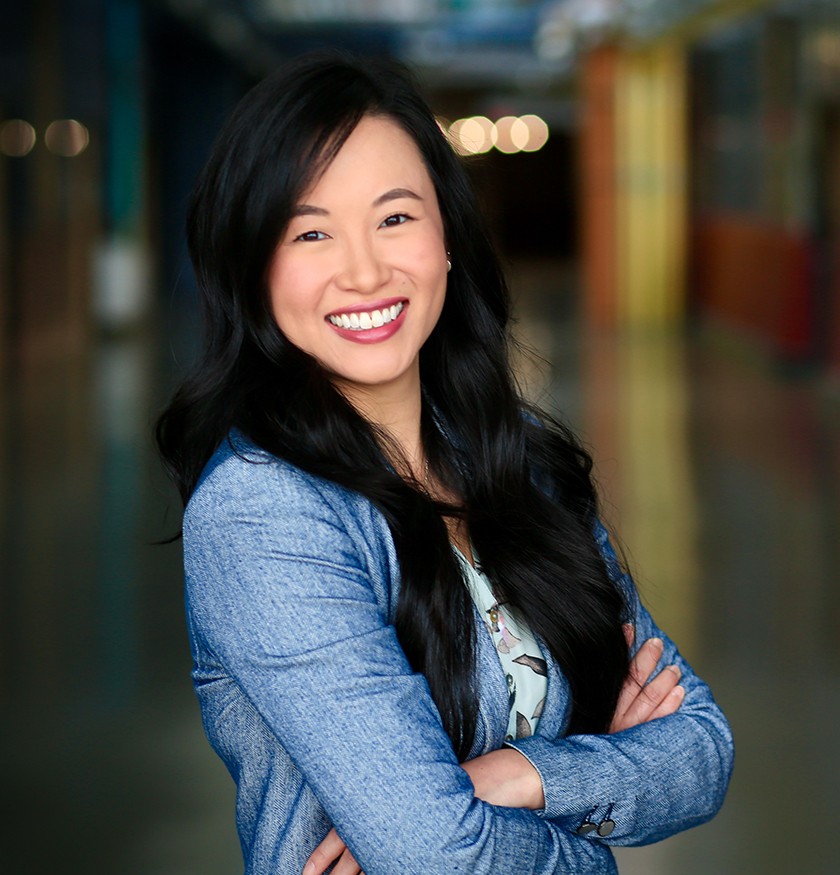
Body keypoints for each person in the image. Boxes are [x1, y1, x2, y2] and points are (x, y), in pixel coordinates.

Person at [156, 52, 733, 875]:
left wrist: (524, 774)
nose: (365, 271)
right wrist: (595, 822)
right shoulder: (263, 511)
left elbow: (701, 748)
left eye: (395, 218)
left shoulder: (517, 462)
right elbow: (439, 855)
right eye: (311, 232)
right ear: (253, 270)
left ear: (449, 237)